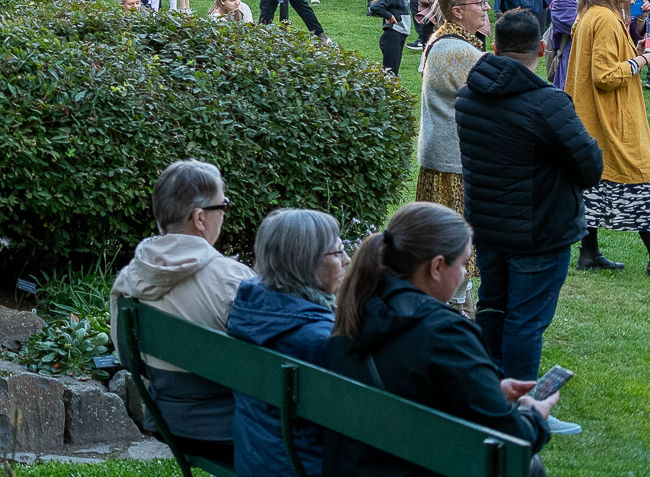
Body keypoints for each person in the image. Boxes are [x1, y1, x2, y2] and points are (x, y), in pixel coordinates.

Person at [322, 202, 554, 475]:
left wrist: (488, 391)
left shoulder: (356, 311)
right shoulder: (445, 332)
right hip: (416, 465)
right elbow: (511, 437)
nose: (465, 272)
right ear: (437, 267)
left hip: (358, 465)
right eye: (464, 262)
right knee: (529, 467)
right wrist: (533, 414)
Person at [455, 7, 606, 388]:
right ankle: (519, 405)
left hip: (488, 225)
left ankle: (486, 392)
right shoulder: (547, 104)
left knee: (493, 309)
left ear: (494, 46)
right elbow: (589, 164)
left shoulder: (469, 96)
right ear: (542, 47)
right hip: (539, 230)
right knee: (524, 320)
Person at [110, 160, 252, 464]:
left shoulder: (128, 280)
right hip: (233, 429)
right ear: (199, 219)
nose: (225, 214)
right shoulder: (234, 281)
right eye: (223, 205)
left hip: (167, 421)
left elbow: (127, 358)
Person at [228, 208, 346, 477]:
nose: (347, 260)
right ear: (303, 262)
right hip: (302, 467)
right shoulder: (319, 341)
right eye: (337, 252)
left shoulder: (249, 312)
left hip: (256, 458)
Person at [564, 0, 650, 274]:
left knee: (595, 186)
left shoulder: (595, 14)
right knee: (639, 178)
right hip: (611, 119)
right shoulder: (603, 19)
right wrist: (642, 61)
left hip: (595, 119)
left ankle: (589, 254)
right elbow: (604, 76)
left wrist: (635, 23)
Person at [418, 0, 489, 232]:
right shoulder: (460, 51)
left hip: (444, 156)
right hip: (453, 164)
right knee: (452, 245)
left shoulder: (442, 40)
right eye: (480, 3)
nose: (487, 8)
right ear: (458, 11)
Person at [371, 0, 418, 75]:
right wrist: (389, 15)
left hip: (399, 36)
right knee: (390, 74)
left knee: (393, 73)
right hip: (392, 37)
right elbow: (375, 7)